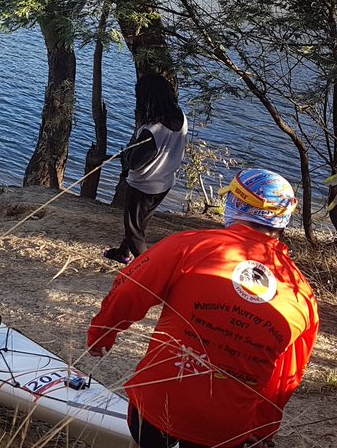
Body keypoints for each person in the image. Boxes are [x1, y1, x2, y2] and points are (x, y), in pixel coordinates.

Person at [87, 168, 319, 448]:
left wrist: (101, 335)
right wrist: (262, 431)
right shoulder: (301, 294)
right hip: (226, 430)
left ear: (237, 205)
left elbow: (130, 288)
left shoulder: (190, 246)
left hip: (157, 408)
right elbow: (286, 376)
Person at [104, 73, 189, 264]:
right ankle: (123, 253)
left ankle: (146, 268)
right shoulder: (180, 116)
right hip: (165, 181)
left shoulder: (153, 129)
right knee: (140, 222)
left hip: (144, 186)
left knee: (134, 231)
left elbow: (135, 162)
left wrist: (126, 155)